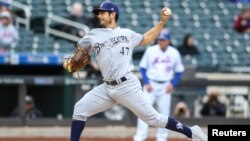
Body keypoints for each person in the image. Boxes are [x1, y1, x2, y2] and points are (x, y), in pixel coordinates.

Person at [64, 1, 207, 141]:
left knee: (154, 119)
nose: (99, 16)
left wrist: (161, 22)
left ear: (113, 14)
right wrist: (70, 63)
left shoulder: (127, 34)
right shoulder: (93, 35)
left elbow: (148, 38)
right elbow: (78, 54)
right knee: (80, 109)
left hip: (127, 86)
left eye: (102, 13)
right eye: (98, 13)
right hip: (107, 88)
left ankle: (192, 132)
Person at [133, 30, 185, 141]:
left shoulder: (174, 53)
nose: (161, 42)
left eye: (163, 40)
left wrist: (173, 84)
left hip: (166, 86)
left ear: (168, 41)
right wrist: (146, 82)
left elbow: (179, 71)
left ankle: (162, 137)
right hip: (151, 84)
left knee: (164, 113)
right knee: (144, 111)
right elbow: (142, 67)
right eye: (160, 39)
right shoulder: (151, 50)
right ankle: (140, 137)